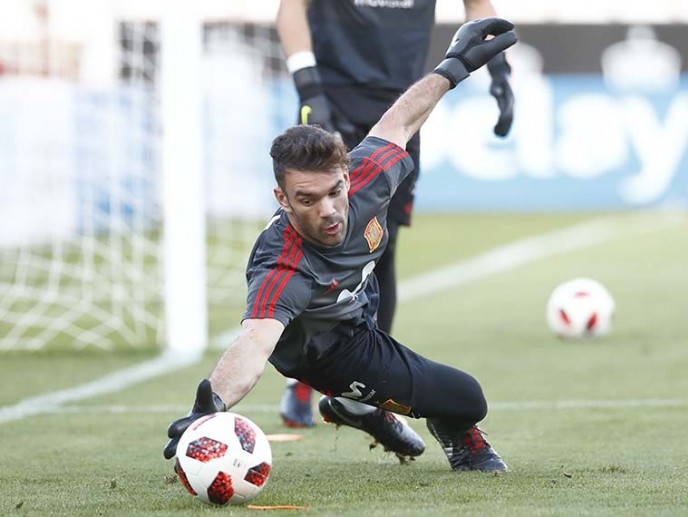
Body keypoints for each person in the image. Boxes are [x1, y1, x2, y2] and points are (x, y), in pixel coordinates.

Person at [163, 18, 517, 473]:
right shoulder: (281, 265)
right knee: (467, 397)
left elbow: (400, 120)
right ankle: (442, 427)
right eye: (307, 200)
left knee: (381, 289)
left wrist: (455, 65)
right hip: (331, 352)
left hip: (357, 308)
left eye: (334, 191)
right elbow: (254, 345)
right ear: (283, 201)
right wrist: (210, 405)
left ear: (347, 176)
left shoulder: (368, 178)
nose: (328, 210)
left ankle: (358, 408)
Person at [275, 0, 515, 428]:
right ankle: (303, 376)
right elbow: (290, 10)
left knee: (379, 245)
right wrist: (309, 89)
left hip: (405, 104)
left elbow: (478, 6)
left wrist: (500, 71)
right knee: (317, 241)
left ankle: (362, 393)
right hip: (333, 98)